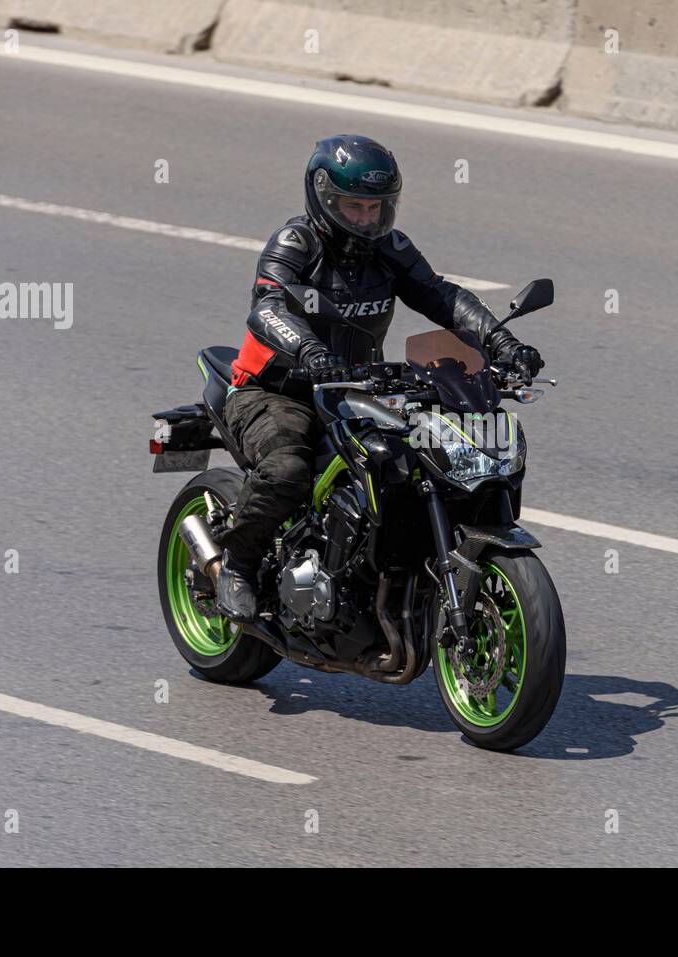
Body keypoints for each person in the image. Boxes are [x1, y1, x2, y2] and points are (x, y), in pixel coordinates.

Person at [215, 134, 544, 622]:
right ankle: (237, 566)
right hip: (277, 389)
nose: (366, 218)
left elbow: (441, 297)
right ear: (324, 198)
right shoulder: (296, 243)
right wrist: (309, 349)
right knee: (287, 466)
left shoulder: (390, 248)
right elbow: (268, 304)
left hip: (356, 389)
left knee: (420, 460)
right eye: (353, 206)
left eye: (376, 207)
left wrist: (501, 343)